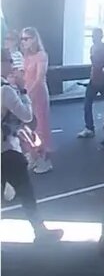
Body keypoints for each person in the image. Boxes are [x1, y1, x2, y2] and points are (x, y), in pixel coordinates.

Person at [1, 52, 62, 241]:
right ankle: (40, 231)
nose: (12, 66)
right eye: (9, 62)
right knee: (25, 191)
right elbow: (27, 115)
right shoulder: (6, 90)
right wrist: (23, 90)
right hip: (6, 150)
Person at [19, 28, 52, 173]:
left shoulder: (41, 55)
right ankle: (33, 156)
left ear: (34, 39)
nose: (24, 42)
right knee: (26, 126)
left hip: (38, 94)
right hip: (27, 92)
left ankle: (44, 160)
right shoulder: (26, 56)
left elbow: (39, 78)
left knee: (39, 127)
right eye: (22, 39)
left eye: (26, 38)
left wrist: (27, 93)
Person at [79, 27, 104, 139]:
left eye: (95, 36)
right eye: (93, 36)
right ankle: (89, 128)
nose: (93, 38)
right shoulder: (93, 48)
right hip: (94, 79)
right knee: (87, 104)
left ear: (100, 36)